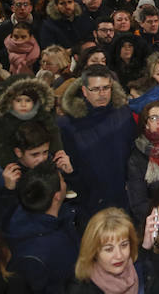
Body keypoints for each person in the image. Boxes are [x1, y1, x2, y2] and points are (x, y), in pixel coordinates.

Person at [57, 66, 135, 223]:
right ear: (84, 91)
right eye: (96, 89)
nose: (102, 93)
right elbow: (68, 167)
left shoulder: (123, 113)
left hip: (124, 196)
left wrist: (132, 182)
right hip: (90, 201)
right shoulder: (67, 124)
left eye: (106, 88)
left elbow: (133, 149)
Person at [4, 160, 80, 294]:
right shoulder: (43, 252)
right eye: (63, 181)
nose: (66, 183)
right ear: (56, 196)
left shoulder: (20, 218)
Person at [69, 207, 144, 294]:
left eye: (124, 245)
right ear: (94, 252)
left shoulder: (137, 271)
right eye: (109, 249)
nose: (119, 255)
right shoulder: (80, 289)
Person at [0, 79, 63, 168]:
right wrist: (8, 163)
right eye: (18, 100)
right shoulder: (4, 120)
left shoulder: (42, 115)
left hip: (40, 155)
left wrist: (57, 151)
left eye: (28, 100)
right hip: (12, 159)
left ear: (34, 102)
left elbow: (53, 132)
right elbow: (0, 144)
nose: (23, 104)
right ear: (11, 102)